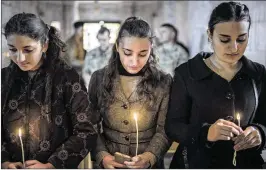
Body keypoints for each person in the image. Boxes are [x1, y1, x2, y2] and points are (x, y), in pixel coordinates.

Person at [165, 2, 266, 168]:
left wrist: (260, 132)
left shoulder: (258, 73)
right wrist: (206, 133)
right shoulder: (187, 73)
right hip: (196, 163)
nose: (234, 47)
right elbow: (173, 126)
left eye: (241, 39)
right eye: (224, 39)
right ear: (210, 35)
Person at [1, 13, 97, 169]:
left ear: (44, 45)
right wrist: (3, 161)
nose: (20, 58)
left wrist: (52, 164)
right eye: (13, 49)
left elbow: (86, 130)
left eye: (28, 50)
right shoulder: (3, 79)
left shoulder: (67, 78)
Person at [88, 17, 172, 169]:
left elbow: (165, 129)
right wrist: (102, 156)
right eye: (127, 53)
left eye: (142, 54)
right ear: (117, 47)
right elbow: (90, 125)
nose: (134, 62)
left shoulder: (163, 82)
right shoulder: (98, 78)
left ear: (151, 48)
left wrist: (149, 156)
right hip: (110, 161)